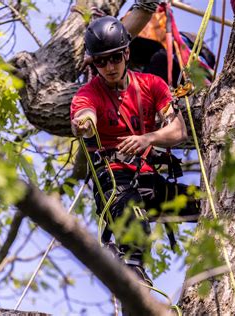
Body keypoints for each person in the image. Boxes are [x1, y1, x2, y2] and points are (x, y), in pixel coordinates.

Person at [70, 15, 199, 286]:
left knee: (206, 204)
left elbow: (178, 131)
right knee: (134, 234)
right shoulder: (88, 94)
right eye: (101, 61)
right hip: (115, 181)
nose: (109, 66)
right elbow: (85, 115)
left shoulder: (152, 85)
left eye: (115, 57)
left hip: (148, 179)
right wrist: (84, 124)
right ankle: (131, 275)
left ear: (127, 52)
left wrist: (147, 139)